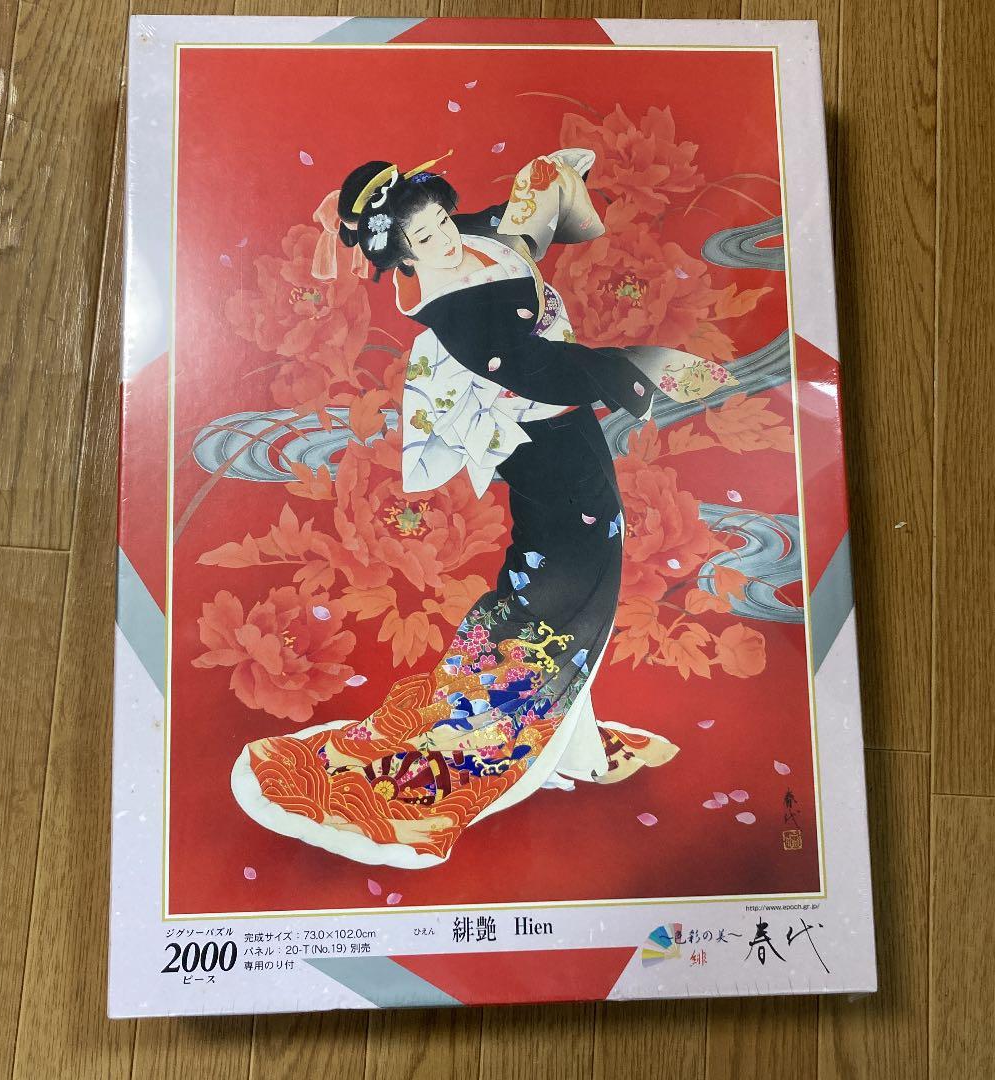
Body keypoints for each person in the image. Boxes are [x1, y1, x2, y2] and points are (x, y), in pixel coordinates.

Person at [232, 148, 720, 869]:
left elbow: (502, 229)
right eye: (425, 237)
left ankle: (577, 749)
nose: (445, 238)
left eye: (441, 218)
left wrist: (540, 191)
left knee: (570, 581)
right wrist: (646, 370)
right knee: (574, 578)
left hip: (563, 434)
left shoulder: (459, 240)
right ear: (402, 257)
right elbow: (544, 369)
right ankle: (513, 740)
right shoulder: (458, 316)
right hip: (541, 439)